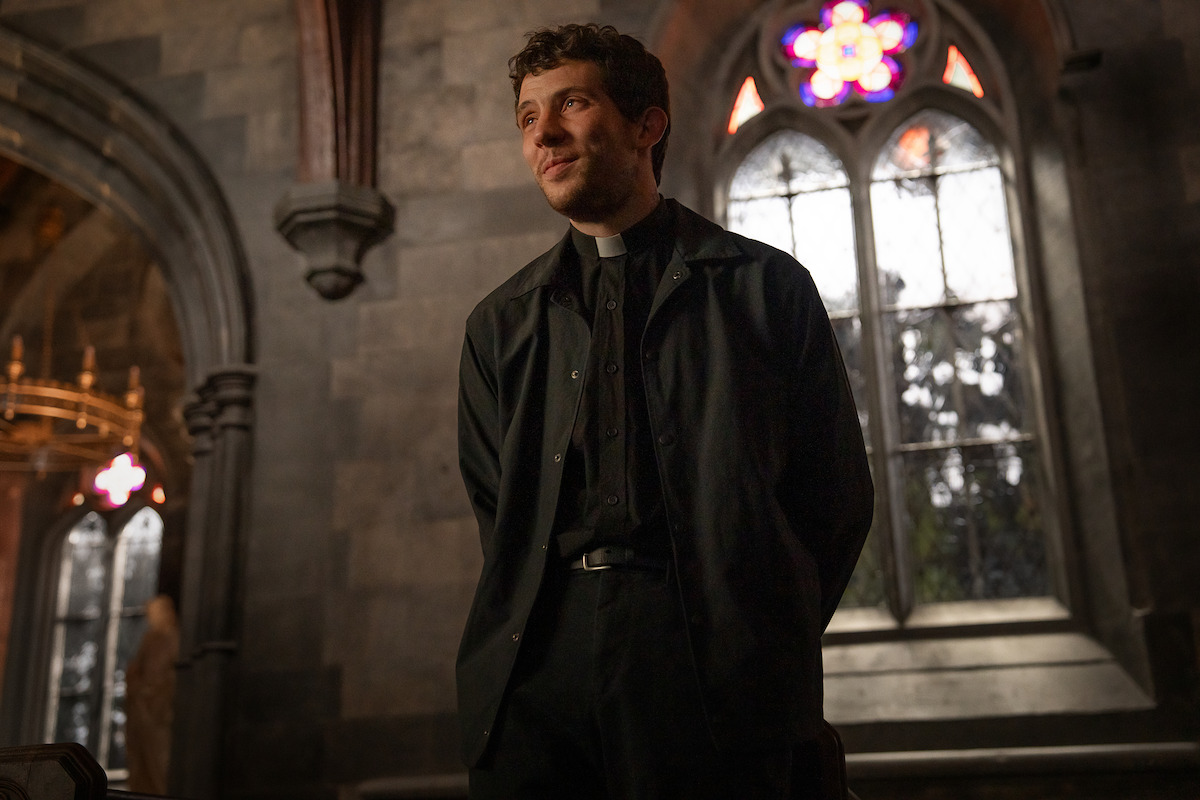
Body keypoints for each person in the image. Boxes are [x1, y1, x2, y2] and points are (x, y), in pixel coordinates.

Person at [456, 22, 873, 800]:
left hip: (708, 664)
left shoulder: (765, 290)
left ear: (647, 125)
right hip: (535, 669)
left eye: (571, 104)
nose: (543, 132)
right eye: (526, 117)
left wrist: (758, 632)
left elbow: (835, 500)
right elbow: (497, 507)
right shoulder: (499, 324)